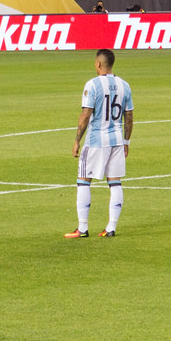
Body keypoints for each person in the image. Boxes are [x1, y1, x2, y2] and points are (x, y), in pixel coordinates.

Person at [65, 48, 133, 239]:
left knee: (83, 181)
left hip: (96, 141)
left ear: (99, 64)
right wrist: (126, 140)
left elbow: (86, 114)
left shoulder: (93, 85)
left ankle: (83, 228)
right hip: (117, 141)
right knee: (115, 182)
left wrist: (77, 140)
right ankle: (111, 227)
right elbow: (129, 116)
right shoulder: (124, 85)